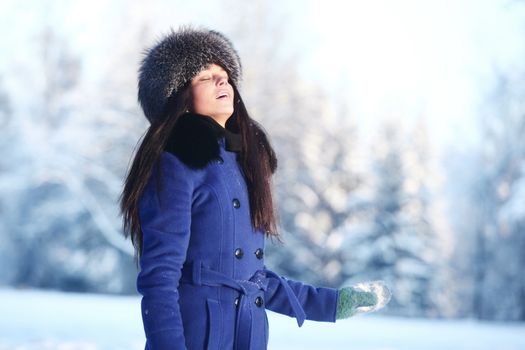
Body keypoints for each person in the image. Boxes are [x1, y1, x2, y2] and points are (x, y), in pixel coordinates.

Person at [119, 26, 391, 350]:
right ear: (180, 98)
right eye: (205, 76)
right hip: (197, 338)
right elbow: (160, 278)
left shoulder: (243, 165)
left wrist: (333, 304)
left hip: (248, 336)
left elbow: (251, 279)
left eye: (224, 73)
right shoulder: (176, 165)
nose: (222, 80)